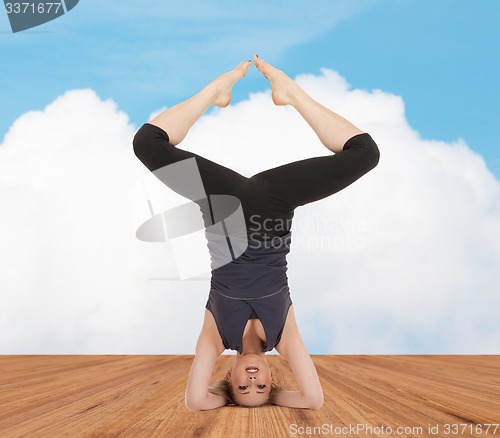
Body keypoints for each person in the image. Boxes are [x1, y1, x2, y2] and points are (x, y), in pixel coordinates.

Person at [133, 55, 380, 411]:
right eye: (261, 386)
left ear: (229, 379)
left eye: (243, 388)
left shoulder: (215, 337)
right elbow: (312, 399)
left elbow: (195, 401)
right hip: (272, 208)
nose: (252, 380)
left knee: (147, 143)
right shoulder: (285, 336)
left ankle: (216, 91)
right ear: (272, 377)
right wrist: (275, 398)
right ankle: (291, 93)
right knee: (365, 153)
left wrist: (231, 401)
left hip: (222, 208)